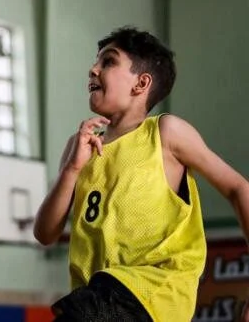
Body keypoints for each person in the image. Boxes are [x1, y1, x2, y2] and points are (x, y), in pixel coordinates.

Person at [33, 27, 249, 322]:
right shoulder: (79, 147)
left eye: (108, 61)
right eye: (96, 62)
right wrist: (71, 169)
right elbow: (45, 233)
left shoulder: (165, 133)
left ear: (141, 83)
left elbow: (239, 188)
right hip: (97, 296)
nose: (93, 69)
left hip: (152, 291)